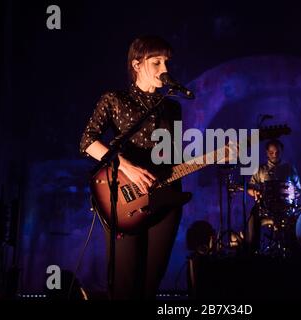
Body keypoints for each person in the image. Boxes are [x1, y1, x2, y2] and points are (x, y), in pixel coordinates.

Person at [79, 35, 183, 299]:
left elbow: (173, 157)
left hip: (164, 200)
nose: (165, 69)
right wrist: (125, 166)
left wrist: (217, 155)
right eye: (157, 62)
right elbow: (88, 141)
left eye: (166, 62)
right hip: (125, 200)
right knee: (125, 284)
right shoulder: (115, 99)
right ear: (137, 64)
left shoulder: (173, 108)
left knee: (151, 284)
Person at [246, 139, 301, 254]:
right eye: (271, 153)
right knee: (253, 217)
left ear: (281, 152)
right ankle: (253, 251)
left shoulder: (289, 169)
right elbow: (250, 187)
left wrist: (295, 192)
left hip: (286, 207)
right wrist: (255, 192)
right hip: (265, 206)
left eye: (277, 152)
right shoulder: (260, 169)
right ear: (267, 153)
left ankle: (296, 253)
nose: (274, 155)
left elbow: (298, 190)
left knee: (300, 218)